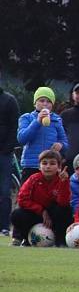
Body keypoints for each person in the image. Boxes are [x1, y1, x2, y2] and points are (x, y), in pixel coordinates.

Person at [9, 149, 72, 246]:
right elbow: (22, 200)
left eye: (52, 163)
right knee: (17, 214)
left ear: (59, 167)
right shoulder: (33, 179)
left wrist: (64, 183)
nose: (48, 166)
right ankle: (26, 238)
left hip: (53, 216)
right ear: (39, 166)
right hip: (36, 214)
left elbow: (63, 203)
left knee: (63, 210)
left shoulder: (62, 180)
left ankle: (60, 240)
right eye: (44, 163)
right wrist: (41, 210)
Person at [17, 87, 69, 182]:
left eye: (49, 101)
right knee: (28, 195)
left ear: (52, 105)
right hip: (31, 165)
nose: (45, 104)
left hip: (50, 166)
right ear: (35, 103)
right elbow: (22, 139)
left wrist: (61, 145)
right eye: (41, 100)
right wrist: (37, 121)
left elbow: (65, 142)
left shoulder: (57, 120)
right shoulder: (26, 118)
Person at [0, 74, 20, 236]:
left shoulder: (9, 100)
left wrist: (7, 149)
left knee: (4, 191)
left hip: (3, 154)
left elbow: (15, 126)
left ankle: (4, 226)